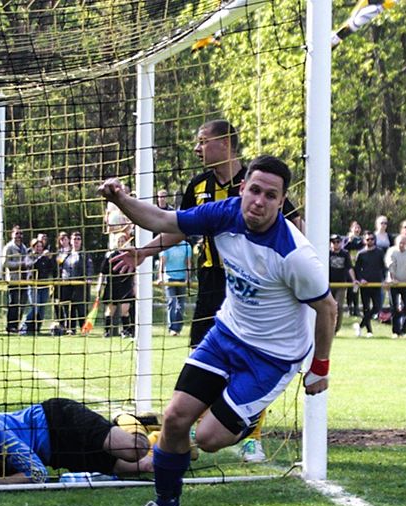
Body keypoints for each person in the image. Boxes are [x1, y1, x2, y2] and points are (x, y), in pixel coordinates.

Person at [99, 155, 336, 506]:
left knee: (208, 439)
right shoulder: (222, 214)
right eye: (254, 190)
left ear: (281, 202)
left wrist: (319, 367)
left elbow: (327, 308)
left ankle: (247, 415)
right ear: (243, 189)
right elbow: (163, 220)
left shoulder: (295, 255)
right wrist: (120, 200)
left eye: (270, 195)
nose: (259, 201)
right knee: (175, 419)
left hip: (272, 358)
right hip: (226, 335)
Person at [110, 120, 301, 463]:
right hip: (212, 281)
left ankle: (250, 437)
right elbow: (179, 227)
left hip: (256, 287)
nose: (197, 148)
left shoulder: (259, 183)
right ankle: (196, 431)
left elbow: (295, 227)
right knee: (203, 355)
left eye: (203, 141)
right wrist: (144, 253)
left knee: (253, 362)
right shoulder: (198, 186)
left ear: (225, 142)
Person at [0, 398, 154, 484]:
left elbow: (38, 474)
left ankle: (127, 419)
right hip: (59, 454)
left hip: (59, 420)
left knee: (136, 450)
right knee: (144, 467)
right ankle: (164, 442)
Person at [97, 231, 135, 338]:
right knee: (110, 311)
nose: (121, 243)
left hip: (126, 286)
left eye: (123, 241)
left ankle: (126, 331)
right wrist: (99, 285)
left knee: (125, 310)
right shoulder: (111, 256)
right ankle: (107, 331)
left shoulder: (130, 256)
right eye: (119, 241)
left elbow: (134, 272)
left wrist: (135, 286)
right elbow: (103, 272)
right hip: (113, 285)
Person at [20, 238, 57, 335]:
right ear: (33, 247)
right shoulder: (29, 256)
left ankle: (37, 329)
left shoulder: (45, 258)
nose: (39, 248)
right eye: (37, 246)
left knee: (42, 309)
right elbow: (30, 265)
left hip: (44, 286)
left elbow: (52, 268)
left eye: (41, 246)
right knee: (35, 308)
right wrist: (41, 257)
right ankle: (24, 326)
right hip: (33, 286)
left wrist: (51, 258)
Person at [353, 231, 386, 338]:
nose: (370, 241)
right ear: (364, 240)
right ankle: (369, 331)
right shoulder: (361, 253)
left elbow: (383, 267)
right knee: (366, 308)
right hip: (365, 285)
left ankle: (360, 326)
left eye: (372, 239)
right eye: (368, 239)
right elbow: (357, 269)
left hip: (377, 283)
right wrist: (360, 279)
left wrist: (384, 279)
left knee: (377, 307)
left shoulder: (380, 252)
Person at [385, 234, 406, 338]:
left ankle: (404, 329)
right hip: (394, 283)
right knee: (394, 308)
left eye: (404, 243)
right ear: (396, 243)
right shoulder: (392, 251)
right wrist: (393, 279)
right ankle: (396, 332)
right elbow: (391, 266)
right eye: (400, 243)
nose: (402, 245)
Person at [60, 232, 94, 334]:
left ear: (81, 241)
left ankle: (84, 329)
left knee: (81, 308)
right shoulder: (65, 254)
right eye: (74, 239)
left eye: (78, 239)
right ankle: (71, 329)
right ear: (70, 241)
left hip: (80, 285)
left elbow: (89, 267)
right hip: (67, 284)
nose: (76, 241)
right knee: (68, 307)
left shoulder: (85, 254)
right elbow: (59, 266)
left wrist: (89, 277)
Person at [158, 238, 192, 337]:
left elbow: (188, 263)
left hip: (182, 279)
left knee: (181, 305)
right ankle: (172, 328)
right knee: (171, 302)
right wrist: (160, 278)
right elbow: (162, 263)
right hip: (169, 278)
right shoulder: (166, 246)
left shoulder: (186, 246)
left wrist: (188, 278)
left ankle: (178, 328)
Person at [328, 234, 357, 334]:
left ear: (341, 243)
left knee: (339, 306)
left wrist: (354, 280)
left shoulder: (345, 254)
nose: (335, 244)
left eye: (338, 242)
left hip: (341, 284)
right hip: (329, 284)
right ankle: (328, 327)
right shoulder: (327, 253)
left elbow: (349, 267)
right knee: (328, 306)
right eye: (333, 242)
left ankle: (336, 329)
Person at [2, 226, 29, 333]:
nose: (19, 236)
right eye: (17, 233)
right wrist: (19, 264)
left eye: (20, 233)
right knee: (14, 303)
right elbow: (5, 263)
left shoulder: (24, 247)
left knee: (22, 304)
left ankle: (17, 325)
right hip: (13, 280)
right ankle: (10, 326)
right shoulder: (8, 247)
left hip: (24, 280)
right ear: (12, 234)